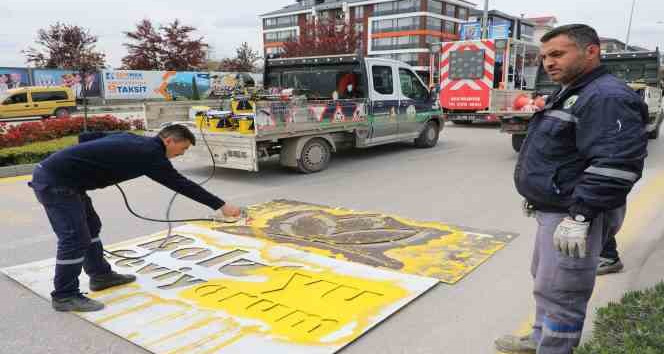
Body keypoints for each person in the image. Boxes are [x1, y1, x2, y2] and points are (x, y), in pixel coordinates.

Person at [495, 24, 648, 354]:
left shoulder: (606, 97)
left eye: (558, 54)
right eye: (545, 56)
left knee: (564, 292)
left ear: (591, 51)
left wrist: (580, 216)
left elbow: (615, 166)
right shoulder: (574, 90)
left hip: (575, 213)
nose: (548, 62)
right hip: (557, 208)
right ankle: (539, 338)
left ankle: (554, 348)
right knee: (546, 282)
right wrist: (539, 195)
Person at [29, 124, 242, 312]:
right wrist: (221, 205)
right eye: (183, 148)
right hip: (56, 184)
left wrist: (95, 161)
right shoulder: (150, 154)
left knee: (92, 227)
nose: (182, 154)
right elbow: (181, 184)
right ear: (169, 140)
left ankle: (101, 276)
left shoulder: (135, 139)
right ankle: (65, 295)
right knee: (75, 239)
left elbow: (87, 137)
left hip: (67, 181)